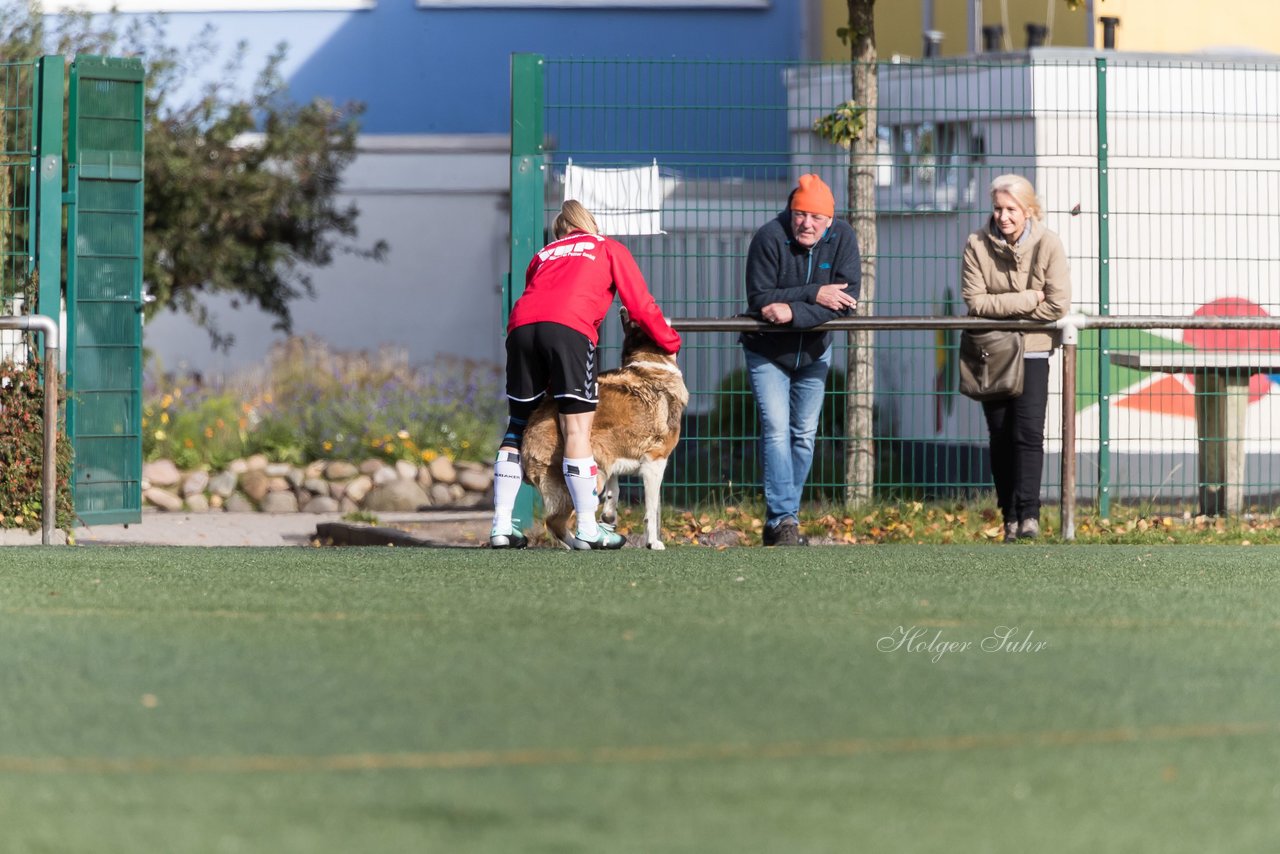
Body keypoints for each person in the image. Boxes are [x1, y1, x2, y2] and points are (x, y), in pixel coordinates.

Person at [490, 200, 682, 550]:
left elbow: (539, 299)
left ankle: (501, 526)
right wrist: (670, 340)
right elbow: (640, 305)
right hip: (568, 328)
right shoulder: (607, 247)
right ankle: (590, 528)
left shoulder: (544, 254)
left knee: (517, 424)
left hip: (520, 329)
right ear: (589, 224)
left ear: (559, 232)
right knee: (577, 427)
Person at [741, 173, 861, 546]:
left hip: (814, 349)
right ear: (790, 212)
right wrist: (815, 294)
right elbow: (761, 297)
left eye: (815, 217)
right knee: (776, 430)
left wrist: (794, 311)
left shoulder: (844, 239)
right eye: (799, 214)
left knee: (804, 436)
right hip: (767, 350)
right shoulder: (768, 237)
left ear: (830, 222)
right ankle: (784, 519)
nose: (806, 224)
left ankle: (781, 520)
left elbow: (846, 302)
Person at [961, 174, 1072, 542]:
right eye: (997, 208)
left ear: (1028, 211)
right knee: (999, 434)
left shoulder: (1048, 244)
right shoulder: (976, 244)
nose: (1003, 217)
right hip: (991, 350)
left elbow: (1057, 303)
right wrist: (1028, 300)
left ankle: (1029, 515)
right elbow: (975, 302)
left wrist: (1004, 309)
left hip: (1034, 349)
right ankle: (1008, 514)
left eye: (1011, 209)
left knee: (1027, 433)